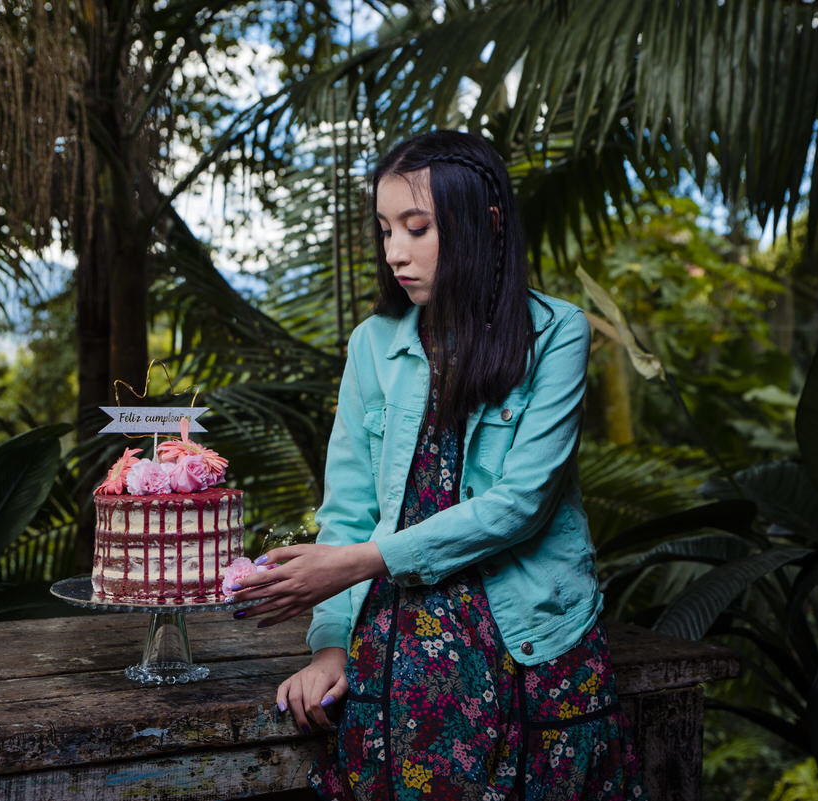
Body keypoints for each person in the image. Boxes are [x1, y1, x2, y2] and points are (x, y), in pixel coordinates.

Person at [228, 130, 646, 800]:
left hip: (533, 637)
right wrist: (330, 645)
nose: (395, 251)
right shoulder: (373, 345)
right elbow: (348, 508)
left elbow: (521, 501)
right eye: (386, 228)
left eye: (417, 228)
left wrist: (362, 560)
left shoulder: (557, 333)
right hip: (400, 648)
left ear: (485, 224)